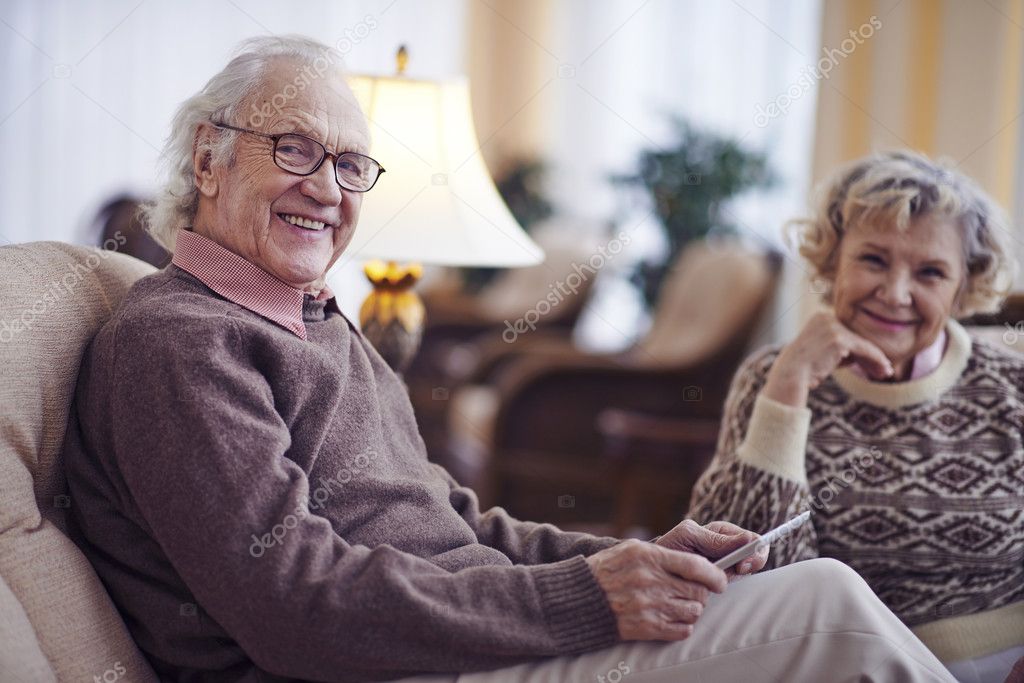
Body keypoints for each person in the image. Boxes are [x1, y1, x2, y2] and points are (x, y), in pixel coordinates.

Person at [62, 36, 954, 682]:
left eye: (349, 164)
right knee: (827, 606)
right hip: (381, 669)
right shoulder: (179, 342)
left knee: (804, 594)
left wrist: (635, 559)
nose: (328, 189)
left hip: (455, 640)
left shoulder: (320, 322)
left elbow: (458, 523)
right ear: (209, 160)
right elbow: (295, 607)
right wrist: (585, 600)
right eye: (293, 148)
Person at [688, 150, 1023, 683]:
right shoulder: (769, 378)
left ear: (965, 286)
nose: (894, 294)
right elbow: (741, 580)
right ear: (832, 260)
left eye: (931, 272)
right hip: (833, 665)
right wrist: (788, 389)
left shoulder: (1014, 385)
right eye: (873, 259)